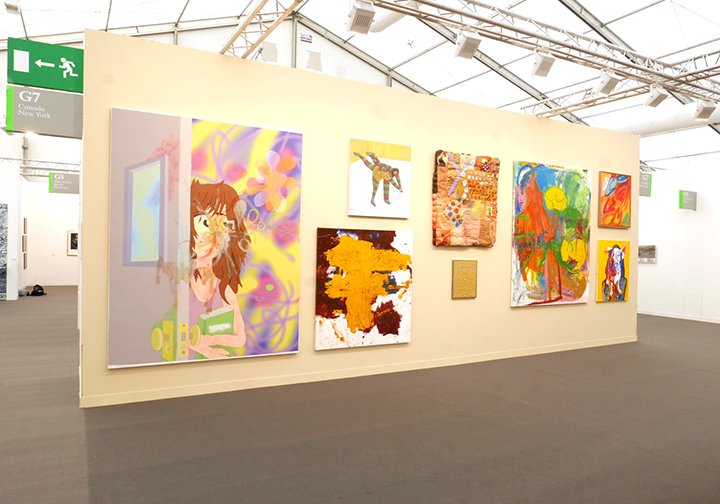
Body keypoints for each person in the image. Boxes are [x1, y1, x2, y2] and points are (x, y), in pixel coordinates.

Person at [189, 179, 249, 358]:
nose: (213, 235)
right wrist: (198, 346)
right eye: (204, 223)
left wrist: (209, 340)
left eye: (222, 224)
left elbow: (240, 338)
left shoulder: (223, 286)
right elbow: (165, 329)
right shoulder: (179, 281)